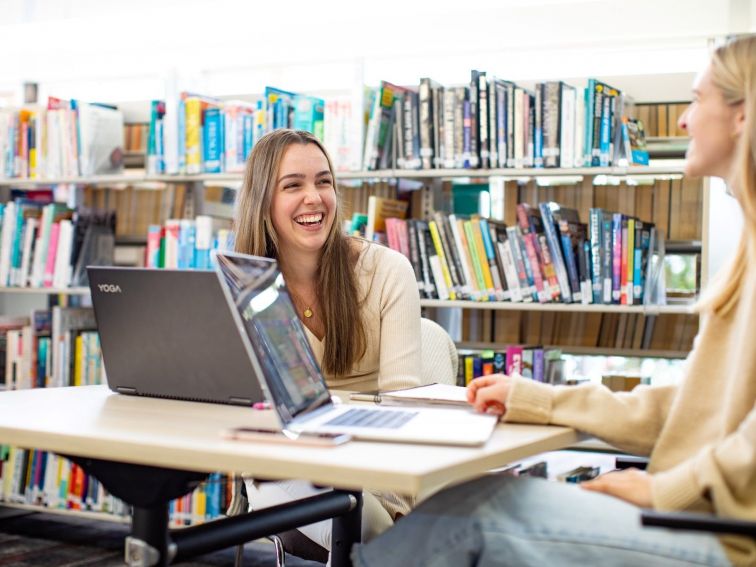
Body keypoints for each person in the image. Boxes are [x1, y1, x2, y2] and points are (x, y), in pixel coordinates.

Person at [352, 34, 755, 567]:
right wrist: (541, 399)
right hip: (700, 519)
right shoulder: (747, 254)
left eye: (697, 99)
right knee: (462, 505)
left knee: (473, 516)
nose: (682, 120)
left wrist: (666, 490)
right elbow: (691, 407)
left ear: (742, 116)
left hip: (727, 539)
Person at [232, 128, 422, 554]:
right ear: (262, 201)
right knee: (346, 515)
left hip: (378, 467)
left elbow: (403, 405)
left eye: (324, 181)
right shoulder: (243, 286)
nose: (314, 197)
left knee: (364, 520)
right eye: (293, 185)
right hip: (284, 467)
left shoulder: (387, 271)